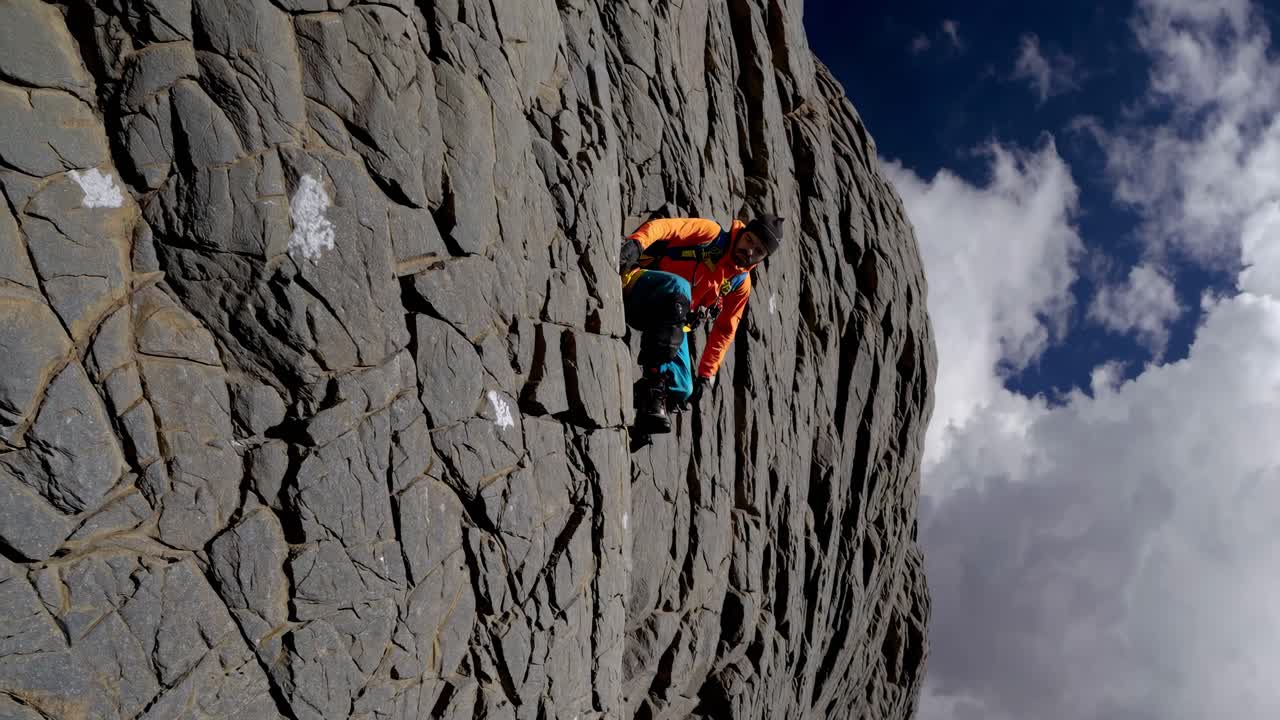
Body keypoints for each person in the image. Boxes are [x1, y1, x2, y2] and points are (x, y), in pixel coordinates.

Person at [618, 213, 784, 436]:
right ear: (743, 232)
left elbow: (725, 330)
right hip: (637, 285)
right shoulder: (711, 234)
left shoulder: (739, 283)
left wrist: (706, 375)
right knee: (680, 288)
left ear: (763, 258)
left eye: (759, 251)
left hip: (661, 320)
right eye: (749, 240)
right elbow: (665, 227)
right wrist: (637, 244)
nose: (750, 251)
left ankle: (641, 419)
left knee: (682, 387)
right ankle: (654, 384)